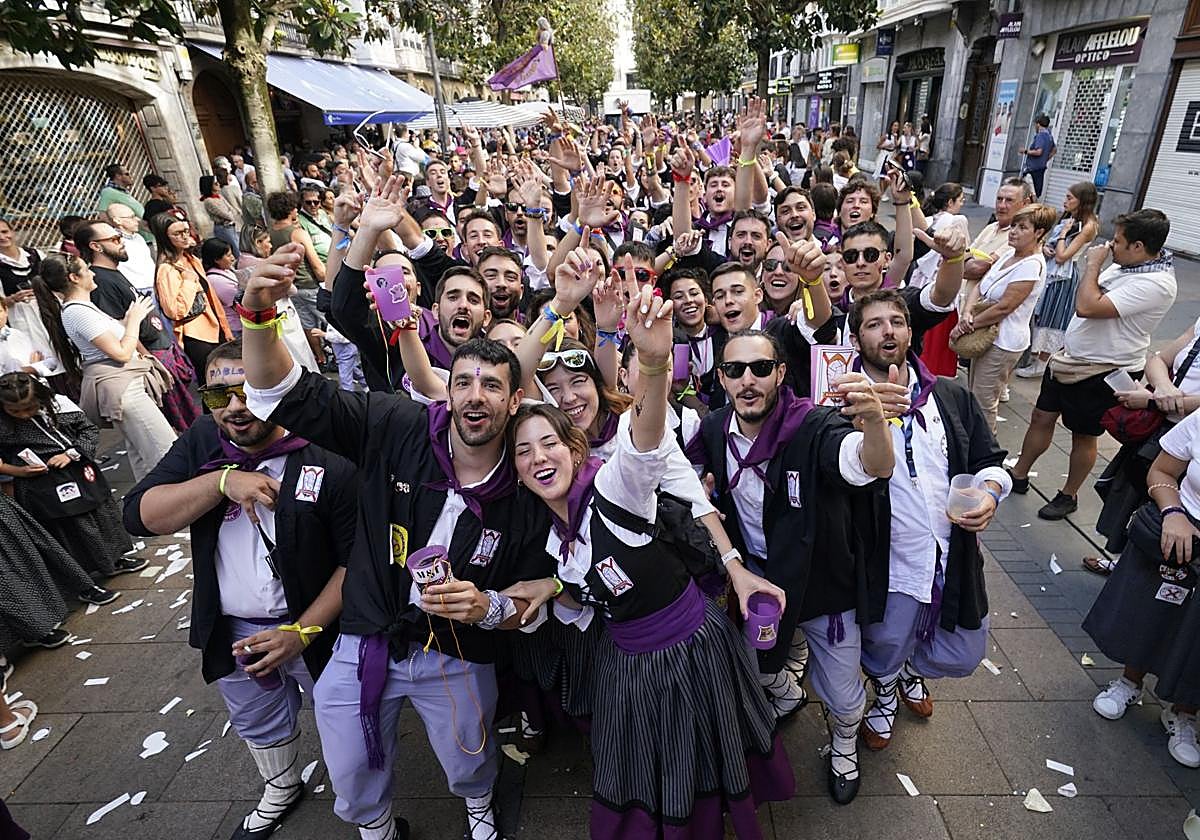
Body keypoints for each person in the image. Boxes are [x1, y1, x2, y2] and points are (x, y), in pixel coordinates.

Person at [240, 222, 554, 840]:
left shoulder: (527, 486)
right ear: (445, 391)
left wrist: (486, 607)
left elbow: (539, 595)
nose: (474, 396)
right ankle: (379, 828)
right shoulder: (398, 424)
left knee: (470, 756)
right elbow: (282, 393)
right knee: (349, 769)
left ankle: (479, 807)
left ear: (514, 402)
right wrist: (257, 314)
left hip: (458, 649)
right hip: (367, 633)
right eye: (462, 381)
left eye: (492, 385)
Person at [507, 282, 796, 837]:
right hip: (625, 660)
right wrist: (550, 587)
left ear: (575, 451)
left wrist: (655, 361)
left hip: (690, 649)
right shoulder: (553, 540)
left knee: (699, 758)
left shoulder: (615, 486)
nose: (538, 458)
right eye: (523, 451)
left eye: (550, 445)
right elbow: (585, 587)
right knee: (641, 765)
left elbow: (644, 437)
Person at [124, 339, 356, 839]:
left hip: (322, 631)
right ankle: (281, 787)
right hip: (235, 630)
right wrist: (220, 482)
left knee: (350, 721)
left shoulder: (328, 451)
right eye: (217, 395)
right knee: (258, 720)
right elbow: (139, 515)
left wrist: (303, 630)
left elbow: (357, 561)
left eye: (249, 392)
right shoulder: (204, 442)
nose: (234, 408)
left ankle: (362, 796)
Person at [688, 326, 894, 804]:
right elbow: (686, 469)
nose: (748, 380)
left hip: (822, 583)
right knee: (757, 666)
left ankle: (843, 744)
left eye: (760, 368)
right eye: (735, 370)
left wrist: (875, 425)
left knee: (843, 695)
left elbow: (865, 464)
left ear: (780, 373)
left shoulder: (811, 424)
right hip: (758, 580)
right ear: (722, 377)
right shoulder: (717, 426)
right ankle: (789, 691)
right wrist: (702, 484)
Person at [846, 290, 1010, 752]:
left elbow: (989, 461)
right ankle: (885, 692)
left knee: (964, 653)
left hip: (950, 555)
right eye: (874, 324)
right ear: (857, 338)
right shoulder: (842, 401)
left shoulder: (951, 395)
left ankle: (910, 672)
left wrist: (991, 494)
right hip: (890, 563)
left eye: (896, 321)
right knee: (881, 648)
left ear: (910, 331)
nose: (888, 331)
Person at [1009, 210, 1178, 521]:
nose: (1110, 246)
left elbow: (1087, 305)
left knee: (1083, 435)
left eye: (1118, 241)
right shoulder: (1127, 266)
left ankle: (1068, 494)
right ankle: (1018, 473)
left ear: (1138, 246)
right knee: (1040, 416)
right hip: (1068, 359)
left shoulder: (1157, 283)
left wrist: (1093, 265)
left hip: (1103, 370)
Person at [1083, 411, 1200, 768]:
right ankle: (1129, 682)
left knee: (1196, 637)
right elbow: (1162, 471)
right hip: (1182, 530)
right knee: (1150, 608)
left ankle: (1183, 713)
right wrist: (1173, 512)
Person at [36, 253, 176, 481]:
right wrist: (134, 320)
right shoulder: (77, 312)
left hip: (125, 386)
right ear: (74, 277)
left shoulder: (82, 308)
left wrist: (128, 320)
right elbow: (120, 353)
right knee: (166, 452)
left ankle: (150, 509)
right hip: (124, 389)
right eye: (86, 269)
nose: (92, 273)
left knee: (143, 458)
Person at [0, 371, 143, 586]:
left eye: (29, 408)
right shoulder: (3, 424)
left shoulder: (60, 407)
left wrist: (71, 453)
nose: (23, 415)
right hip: (40, 484)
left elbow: (89, 430)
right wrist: (16, 471)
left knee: (100, 514)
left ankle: (114, 559)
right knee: (70, 527)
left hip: (78, 469)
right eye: (15, 411)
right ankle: (83, 579)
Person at [76, 220, 200, 433]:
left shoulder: (114, 273)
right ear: (95, 246)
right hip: (152, 355)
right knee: (177, 429)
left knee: (188, 419)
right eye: (114, 239)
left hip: (161, 349)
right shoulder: (102, 282)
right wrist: (149, 361)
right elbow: (121, 329)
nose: (121, 242)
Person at [950, 203, 1056, 432]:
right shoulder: (1009, 253)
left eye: (1022, 227)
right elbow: (980, 284)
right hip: (981, 332)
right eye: (1014, 226)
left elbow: (1004, 307)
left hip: (1003, 340)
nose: (1014, 231)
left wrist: (967, 326)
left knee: (984, 401)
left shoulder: (1032, 265)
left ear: (1039, 233)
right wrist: (967, 312)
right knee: (974, 393)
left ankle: (985, 451)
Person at [1018, 182, 1100, 379]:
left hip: (1063, 276)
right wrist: (1046, 246)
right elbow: (1052, 245)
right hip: (1050, 271)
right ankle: (1035, 357)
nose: (1065, 201)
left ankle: (1042, 362)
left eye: (1070, 198)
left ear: (1083, 201)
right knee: (1039, 314)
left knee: (1052, 317)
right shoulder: (1071, 218)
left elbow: (1063, 256)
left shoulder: (1088, 226)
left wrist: (1063, 236)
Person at [152, 213, 234, 378]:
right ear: (165, 238)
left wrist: (226, 328)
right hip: (196, 335)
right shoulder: (166, 269)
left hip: (215, 328)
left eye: (186, 231)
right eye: (177, 233)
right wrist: (189, 282)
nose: (184, 236)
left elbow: (212, 298)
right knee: (212, 384)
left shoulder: (192, 259)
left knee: (229, 378)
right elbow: (174, 311)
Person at [0, 220, 56, 375]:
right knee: (37, 355)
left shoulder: (35, 254)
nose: (3, 237)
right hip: (20, 318)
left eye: (5, 232)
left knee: (57, 348)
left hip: (46, 310)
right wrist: (12, 299)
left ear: (13, 232)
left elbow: (54, 281)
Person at [266, 192, 325, 333]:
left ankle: (319, 355)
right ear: (289, 210)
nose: (297, 210)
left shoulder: (269, 233)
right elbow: (317, 266)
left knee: (308, 325)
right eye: (294, 207)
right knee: (331, 321)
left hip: (290, 287)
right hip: (309, 284)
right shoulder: (297, 233)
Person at [104, 204, 156, 294]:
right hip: (138, 289)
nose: (137, 220)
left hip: (154, 284)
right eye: (132, 217)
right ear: (117, 220)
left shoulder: (138, 237)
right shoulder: (114, 241)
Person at [201, 238, 244, 339]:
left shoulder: (225, 270)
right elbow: (240, 301)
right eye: (228, 255)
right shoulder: (215, 280)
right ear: (216, 259)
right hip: (237, 328)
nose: (233, 258)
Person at [201, 175, 241, 259]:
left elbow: (232, 209)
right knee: (235, 249)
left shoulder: (220, 196)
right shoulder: (209, 201)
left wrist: (230, 213)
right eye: (215, 183)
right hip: (223, 228)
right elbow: (226, 214)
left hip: (230, 226)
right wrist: (230, 214)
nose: (218, 184)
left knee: (238, 246)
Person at [1020, 114, 1057, 198]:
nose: (1035, 127)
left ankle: (1032, 209)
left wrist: (1025, 151)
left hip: (1033, 169)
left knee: (1029, 192)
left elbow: (1038, 152)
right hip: (1041, 168)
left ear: (1038, 124)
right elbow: (1054, 150)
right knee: (1036, 191)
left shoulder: (1040, 136)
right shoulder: (1049, 136)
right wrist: (1045, 159)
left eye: (1035, 125)